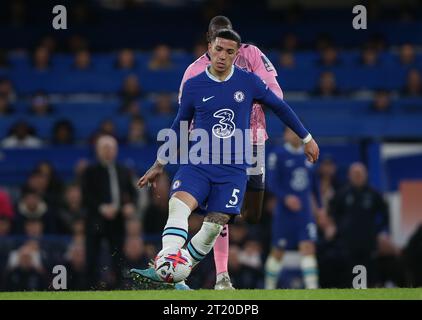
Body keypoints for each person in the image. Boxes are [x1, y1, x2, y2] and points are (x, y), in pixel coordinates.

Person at [130, 29, 319, 290]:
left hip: (233, 171)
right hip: (198, 163)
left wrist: (306, 137)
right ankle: (167, 267)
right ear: (210, 47)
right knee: (178, 207)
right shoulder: (195, 84)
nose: (222, 56)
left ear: (236, 54)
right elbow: (179, 125)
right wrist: (159, 163)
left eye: (229, 52)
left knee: (212, 229)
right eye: (218, 49)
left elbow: (280, 106)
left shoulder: (248, 81)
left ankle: (172, 273)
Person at [174, 15, 285, 290]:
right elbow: (185, 114)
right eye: (216, 43)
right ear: (208, 42)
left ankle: (178, 264)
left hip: (254, 139)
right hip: (216, 148)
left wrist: (250, 95)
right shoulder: (195, 71)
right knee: (218, 211)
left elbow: (275, 92)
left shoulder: (251, 54)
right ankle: (219, 275)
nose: (221, 50)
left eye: (227, 43)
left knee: (253, 213)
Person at [264, 127, 322, 289]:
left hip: (304, 213)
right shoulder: (278, 154)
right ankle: (269, 288)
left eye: (297, 132)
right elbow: (271, 183)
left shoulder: (309, 153)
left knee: (308, 247)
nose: (295, 135)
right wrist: (285, 197)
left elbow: (315, 184)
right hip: (284, 213)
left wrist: (321, 207)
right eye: (291, 132)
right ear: (285, 134)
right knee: (278, 250)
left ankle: (313, 289)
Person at [81, 135, 138, 289]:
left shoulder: (124, 170)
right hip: (96, 221)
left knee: (119, 255)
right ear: (97, 150)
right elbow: (86, 196)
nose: (108, 151)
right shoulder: (90, 171)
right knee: (92, 256)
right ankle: (90, 289)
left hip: (118, 220)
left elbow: (133, 193)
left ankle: (120, 287)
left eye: (111, 148)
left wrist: (130, 205)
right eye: (104, 148)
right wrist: (101, 208)